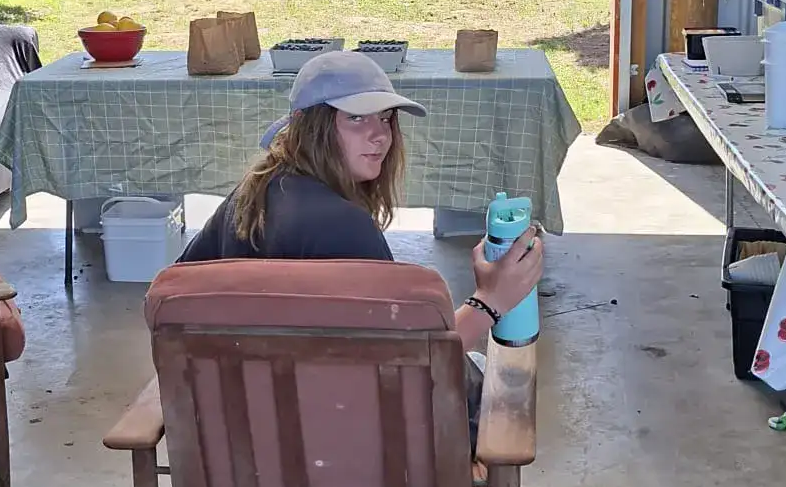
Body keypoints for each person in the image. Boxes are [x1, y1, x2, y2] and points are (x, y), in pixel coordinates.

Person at [180, 50, 544, 371]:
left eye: (385, 118)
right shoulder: (343, 227)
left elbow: (172, 295)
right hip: (341, 431)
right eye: (356, 118)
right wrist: (491, 299)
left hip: (252, 417)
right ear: (314, 128)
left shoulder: (251, 194)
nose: (380, 135)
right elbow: (416, 359)